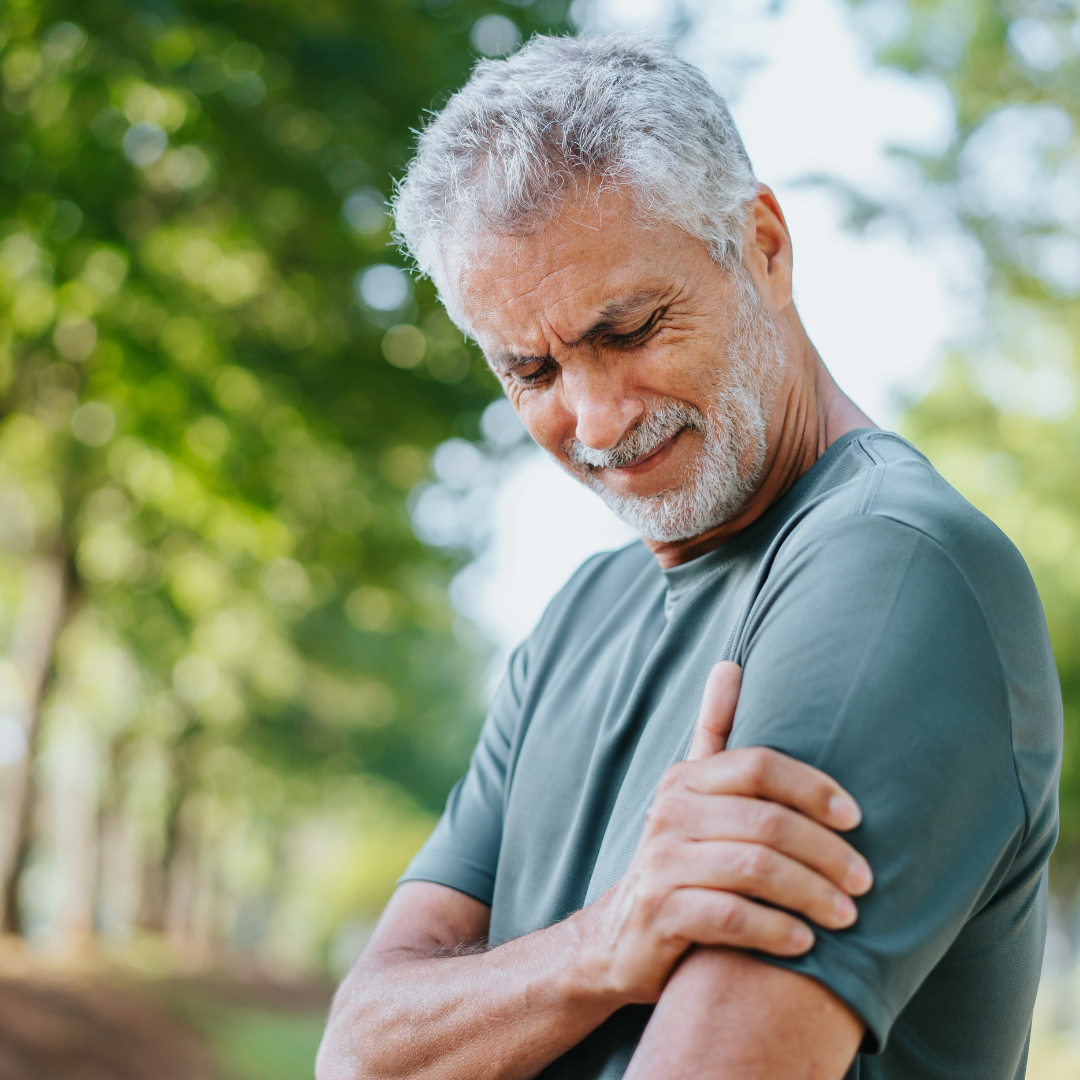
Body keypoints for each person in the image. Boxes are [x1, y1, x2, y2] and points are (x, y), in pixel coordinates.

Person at [316, 34, 1062, 1080]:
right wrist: (603, 945)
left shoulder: (894, 572)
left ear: (762, 244)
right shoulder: (581, 614)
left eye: (630, 328)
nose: (596, 416)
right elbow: (358, 1051)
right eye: (530, 368)